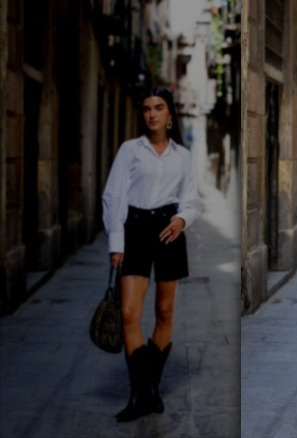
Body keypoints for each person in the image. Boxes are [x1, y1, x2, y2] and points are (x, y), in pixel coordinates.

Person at [102, 86, 203, 422]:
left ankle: (151, 389)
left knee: (164, 312)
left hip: (169, 231)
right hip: (135, 230)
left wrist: (181, 218)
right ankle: (140, 393)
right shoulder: (130, 150)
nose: (152, 114)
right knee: (129, 313)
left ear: (169, 114)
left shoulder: (183, 156)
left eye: (158, 107)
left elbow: (192, 198)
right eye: (146, 108)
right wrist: (117, 243)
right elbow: (113, 195)